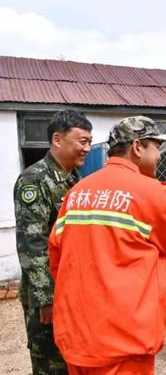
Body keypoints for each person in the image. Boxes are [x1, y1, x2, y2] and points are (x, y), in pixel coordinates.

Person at [48, 116, 166, 375]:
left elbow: (56, 256)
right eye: (157, 147)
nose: (159, 156)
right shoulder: (152, 193)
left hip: (76, 335)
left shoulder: (77, 193)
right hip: (122, 338)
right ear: (137, 147)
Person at [14, 109, 93, 375]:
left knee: (74, 357)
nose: (87, 148)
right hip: (50, 292)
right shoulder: (35, 180)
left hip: (73, 287)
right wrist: (45, 298)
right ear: (58, 139)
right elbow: (32, 243)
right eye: (82, 141)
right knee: (51, 363)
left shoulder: (74, 179)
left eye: (90, 142)